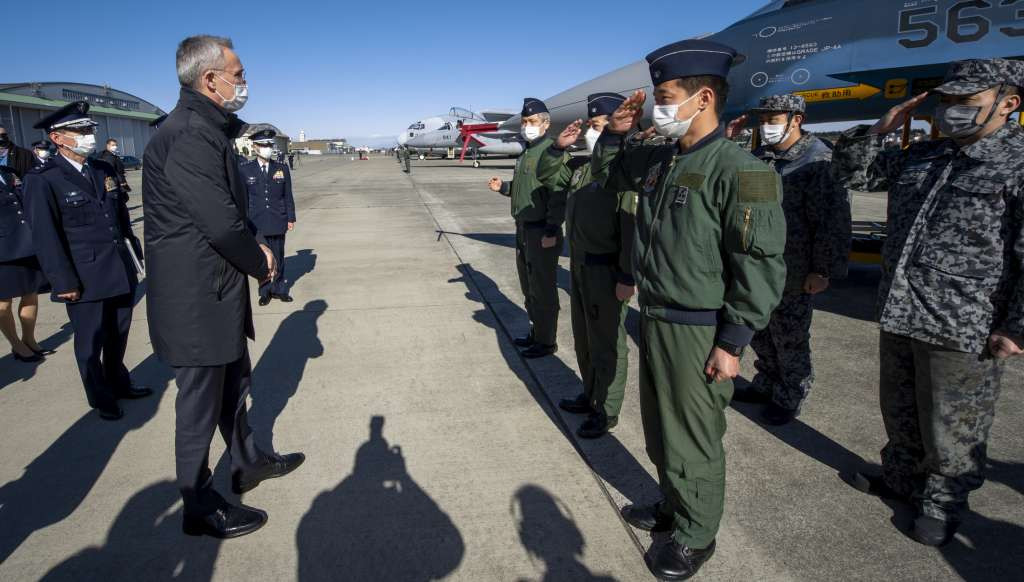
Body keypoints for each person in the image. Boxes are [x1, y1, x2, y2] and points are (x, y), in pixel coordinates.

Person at [594, 39, 786, 580]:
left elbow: (760, 262)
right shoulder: (663, 159)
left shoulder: (743, 170)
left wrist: (733, 340)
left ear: (703, 98)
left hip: (700, 329)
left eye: (664, 97)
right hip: (656, 318)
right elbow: (613, 174)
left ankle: (696, 535)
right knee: (661, 429)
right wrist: (618, 133)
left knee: (693, 435)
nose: (657, 107)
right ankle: (675, 505)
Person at [831, 58, 1024, 547]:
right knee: (900, 407)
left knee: (953, 423)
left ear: (1009, 103)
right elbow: (854, 176)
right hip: (902, 308)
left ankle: (943, 503)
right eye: (948, 100)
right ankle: (901, 479)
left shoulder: (1018, 162)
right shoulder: (925, 154)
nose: (953, 109)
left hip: (965, 320)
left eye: (967, 101)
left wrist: (1017, 326)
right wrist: (879, 129)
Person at [142, 35, 304, 539]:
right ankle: (198, 504)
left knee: (233, 389)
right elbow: (220, 222)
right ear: (210, 80)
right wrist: (262, 261)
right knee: (199, 406)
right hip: (196, 301)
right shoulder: (189, 135)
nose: (245, 82)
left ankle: (247, 463)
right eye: (238, 74)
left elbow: (228, 204)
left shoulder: (207, 127)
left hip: (215, 293)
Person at [727, 94, 852, 425]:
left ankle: (790, 395)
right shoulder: (761, 157)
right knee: (761, 331)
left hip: (795, 269)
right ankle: (766, 383)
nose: (766, 125)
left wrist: (822, 270)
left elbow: (832, 221)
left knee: (790, 337)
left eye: (773, 119)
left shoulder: (819, 160)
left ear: (797, 119)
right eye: (763, 120)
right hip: (759, 266)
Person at [23, 101, 151, 420]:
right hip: (84, 276)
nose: (88, 136)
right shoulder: (44, 179)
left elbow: (120, 220)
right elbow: (46, 237)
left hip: (119, 268)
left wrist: (134, 257)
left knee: (118, 334)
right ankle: (100, 396)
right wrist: (63, 282)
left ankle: (119, 382)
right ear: (57, 138)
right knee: (90, 342)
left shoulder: (103, 169)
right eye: (79, 131)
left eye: (89, 129)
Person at [537, 92, 636, 439]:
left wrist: (627, 274)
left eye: (598, 125)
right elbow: (549, 177)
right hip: (580, 266)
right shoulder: (584, 167)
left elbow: (630, 226)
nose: (592, 132)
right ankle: (590, 394)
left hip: (606, 270)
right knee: (584, 339)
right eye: (591, 126)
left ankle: (606, 409)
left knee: (608, 343)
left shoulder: (624, 169)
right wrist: (557, 149)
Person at [487, 98, 566, 358]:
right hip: (523, 229)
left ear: (545, 124)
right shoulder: (526, 152)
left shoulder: (551, 152)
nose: (526, 126)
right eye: (524, 122)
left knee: (542, 288)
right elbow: (525, 189)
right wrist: (504, 187)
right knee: (528, 287)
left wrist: (551, 230)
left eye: (531, 121)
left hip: (541, 231)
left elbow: (558, 196)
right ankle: (536, 333)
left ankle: (546, 341)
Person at [0, 165, 52, 362]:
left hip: (25, 243)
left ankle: (29, 339)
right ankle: (16, 344)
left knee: (30, 293)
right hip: (3, 250)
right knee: (3, 303)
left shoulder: (7, 172)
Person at [239, 129, 296, 305]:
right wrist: (244, 222)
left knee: (279, 257)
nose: (268, 148)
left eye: (270, 144)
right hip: (256, 223)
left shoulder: (281, 168)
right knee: (261, 259)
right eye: (264, 145)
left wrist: (291, 217)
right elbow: (244, 199)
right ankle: (265, 291)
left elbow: (287, 195)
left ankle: (279, 289)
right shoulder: (245, 169)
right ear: (255, 147)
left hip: (278, 219)